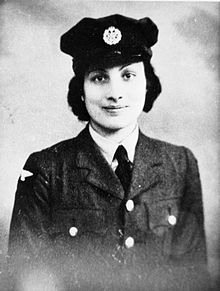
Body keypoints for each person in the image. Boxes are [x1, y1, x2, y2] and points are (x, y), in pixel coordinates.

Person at [7, 14, 210, 291]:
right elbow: (26, 279)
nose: (115, 93)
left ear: (147, 84)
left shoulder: (180, 163)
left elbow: (193, 276)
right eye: (100, 77)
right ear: (81, 90)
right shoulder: (46, 170)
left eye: (128, 75)